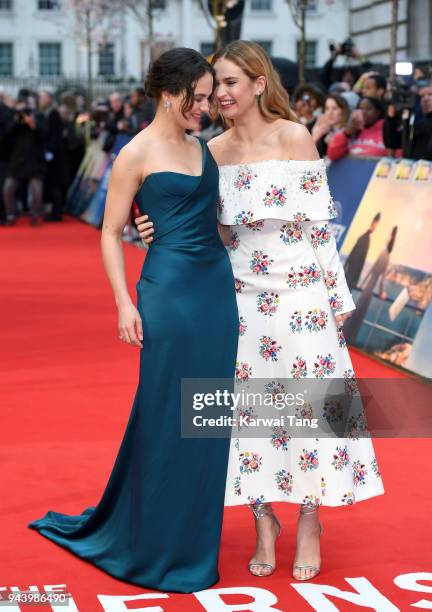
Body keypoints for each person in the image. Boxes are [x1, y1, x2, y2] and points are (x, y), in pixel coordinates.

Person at [135, 40, 385, 582]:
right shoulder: (209, 152)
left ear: (257, 84)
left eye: (229, 83)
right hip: (239, 302)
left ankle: (311, 520)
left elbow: (321, 227)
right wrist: (151, 228)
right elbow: (197, 227)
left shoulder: (293, 138)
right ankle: (263, 518)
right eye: (214, 85)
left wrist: (337, 299)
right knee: (249, 421)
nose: (219, 94)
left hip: (301, 301)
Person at [28, 48, 239, 593]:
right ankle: (151, 540)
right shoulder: (134, 154)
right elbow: (108, 231)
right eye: (197, 97)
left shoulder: (202, 148)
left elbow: (208, 219)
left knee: (209, 417)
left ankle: (194, 540)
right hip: (167, 294)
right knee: (166, 412)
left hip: (216, 292)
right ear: (170, 95)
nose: (205, 107)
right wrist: (124, 302)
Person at [344, 227, 398, 344]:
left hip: (368, 288)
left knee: (356, 312)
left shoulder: (384, 254)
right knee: (358, 314)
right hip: (370, 289)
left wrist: (363, 284)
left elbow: (374, 273)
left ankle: (346, 336)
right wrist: (381, 291)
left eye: (389, 235)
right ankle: (349, 337)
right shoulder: (386, 255)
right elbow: (380, 277)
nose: (386, 237)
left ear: (391, 238)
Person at [327, 96, 387, 160]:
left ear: (378, 112)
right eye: (361, 109)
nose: (364, 112)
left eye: (368, 109)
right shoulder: (351, 131)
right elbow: (332, 155)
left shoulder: (386, 131)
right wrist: (346, 134)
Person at [383, 82, 432, 160]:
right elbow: (392, 143)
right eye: (421, 96)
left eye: (430, 94)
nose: (426, 99)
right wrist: (391, 119)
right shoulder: (414, 123)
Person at [344, 212, 381, 291]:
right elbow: (356, 261)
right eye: (376, 224)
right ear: (373, 223)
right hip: (350, 277)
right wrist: (355, 279)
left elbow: (353, 257)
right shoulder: (365, 239)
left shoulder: (365, 238)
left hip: (350, 277)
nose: (375, 228)